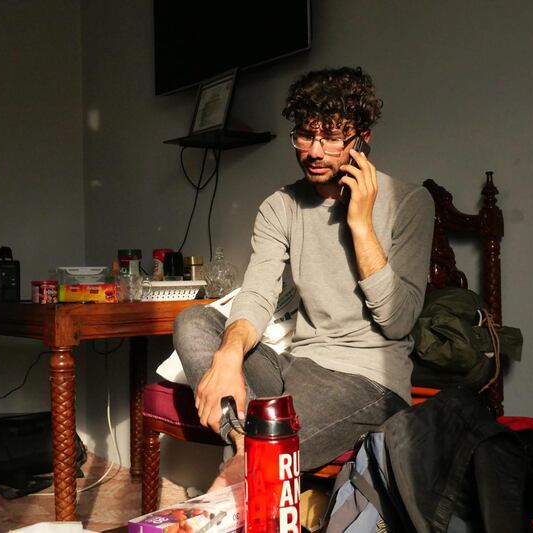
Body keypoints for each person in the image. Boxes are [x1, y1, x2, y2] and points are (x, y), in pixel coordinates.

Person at [173, 66, 435, 490]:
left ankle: (240, 470)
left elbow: (398, 321)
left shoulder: (409, 203)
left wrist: (362, 225)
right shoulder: (281, 206)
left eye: (331, 138)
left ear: (362, 135)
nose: (315, 151)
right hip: (296, 363)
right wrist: (227, 357)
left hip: (367, 378)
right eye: (305, 135)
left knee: (259, 459)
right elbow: (257, 292)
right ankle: (242, 440)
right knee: (194, 321)